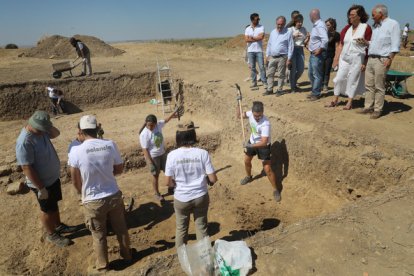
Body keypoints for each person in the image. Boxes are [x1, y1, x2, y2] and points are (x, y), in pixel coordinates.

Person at [69, 115, 132, 273]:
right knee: (121, 228)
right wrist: (106, 175)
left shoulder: (76, 151)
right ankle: (127, 255)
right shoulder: (110, 144)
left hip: (92, 200)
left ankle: (103, 266)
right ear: (97, 129)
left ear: (80, 131)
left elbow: (75, 180)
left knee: (99, 235)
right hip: (113, 195)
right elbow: (118, 169)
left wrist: (82, 193)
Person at [15, 110, 77, 247]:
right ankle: (51, 234)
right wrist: (41, 188)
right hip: (41, 183)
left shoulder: (40, 131)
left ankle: (58, 226)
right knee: (46, 210)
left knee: (53, 204)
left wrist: (47, 126)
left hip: (52, 178)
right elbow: (26, 168)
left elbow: (56, 133)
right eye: (42, 129)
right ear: (32, 125)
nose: (44, 132)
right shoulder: (24, 142)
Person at [164, 121, 217, 248]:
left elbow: (167, 182)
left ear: (178, 137)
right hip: (200, 196)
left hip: (181, 198)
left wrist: (174, 185)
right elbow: (213, 179)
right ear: (193, 134)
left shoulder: (172, 155)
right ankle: (205, 257)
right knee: (201, 227)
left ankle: (183, 259)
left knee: (181, 229)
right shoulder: (202, 153)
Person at [358, 4, 400, 119]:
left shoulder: (393, 24)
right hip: (371, 58)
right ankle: (368, 107)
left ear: (381, 13)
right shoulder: (376, 26)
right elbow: (375, 43)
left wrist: (390, 59)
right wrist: (366, 42)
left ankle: (378, 109)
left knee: (379, 86)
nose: (372, 17)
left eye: (373, 15)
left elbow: (395, 44)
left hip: (382, 60)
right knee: (369, 85)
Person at [326, 5, 372, 110]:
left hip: (357, 58)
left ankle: (350, 102)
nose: (350, 17)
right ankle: (335, 99)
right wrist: (336, 59)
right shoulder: (346, 28)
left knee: (353, 79)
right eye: (349, 15)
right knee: (338, 78)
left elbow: (370, 46)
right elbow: (341, 45)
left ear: (359, 16)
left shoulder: (366, 28)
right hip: (344, 58)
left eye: (352, 15)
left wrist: (365, 62)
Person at [237, 101, 281, 202]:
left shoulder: (265, 124)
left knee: (267, 169)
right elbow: (239, 116)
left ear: (263, 112)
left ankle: (275, 189)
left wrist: (250, 145)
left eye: (260, 116)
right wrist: (237, 103)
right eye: (255, 116)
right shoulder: (250, 114)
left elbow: (264, 142)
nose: (257, 118)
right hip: (252, 142)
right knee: (247, 161)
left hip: (263, 146)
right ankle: (248, 176)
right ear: (252, 112)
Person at [139, 111, 178, 202]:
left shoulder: (158, 125)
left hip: (163, 154)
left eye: (152, 125)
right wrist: (150, 163)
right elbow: (145, 150)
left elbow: (166, 120)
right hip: (153, 157)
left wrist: (174, 112)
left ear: (155, 124)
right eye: (148, 125)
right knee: (155, 175)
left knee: (169, 171)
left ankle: (171, 188)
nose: (150, 127)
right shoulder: (144, 134)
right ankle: (157, 194)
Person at [264, 16, 294, 96]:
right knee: (270, 74)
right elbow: (269, 44)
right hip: (272, 57)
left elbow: (290, 46)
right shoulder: (273, 32)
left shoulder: (288, 32)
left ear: (284, 24)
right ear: (276, 23)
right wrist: (267, 55)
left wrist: (289, 59)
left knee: (281, 74)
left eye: (282, 24)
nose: (280, 26)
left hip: (282, 57)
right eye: (278, 24)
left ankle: (279, 90)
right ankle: (269, 89)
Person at [307, 9, 328, 101]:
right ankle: (314, 91)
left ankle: (316, 93)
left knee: (317, 75)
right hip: (313, 54)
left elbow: (325, 39)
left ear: (312, 16)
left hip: (317, 54)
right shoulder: (316, 26)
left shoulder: (320, 25)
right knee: (311, 74)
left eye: (310, 16)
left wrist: (320, 49)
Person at [245, 13, 267, 90]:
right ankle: (254, 83)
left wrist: (252, 38)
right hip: (250, 51)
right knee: (253, 68)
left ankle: (265, 82)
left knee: (262, 67)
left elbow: (261, 37)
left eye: (258, 19)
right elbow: (246, 39)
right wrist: (256, 38)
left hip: (259, 50)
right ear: (252, 20)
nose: (258, 20)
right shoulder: (247, 29)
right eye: (256, 19)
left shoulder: (261, 27)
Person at [289, 13, 309, 93]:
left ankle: (293, 82)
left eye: (301, 22)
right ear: (295, 22)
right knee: (293, 70)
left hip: (300, 49)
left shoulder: (304, 29)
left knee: (301, 69)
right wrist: (293, 36)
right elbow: (287, 40)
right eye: (298, 22)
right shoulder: (291, 29)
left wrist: (307, 39)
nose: (300, 23)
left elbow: (304, 41)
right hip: (293, 49)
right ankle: (293, 87)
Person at [321, 18, 340, 92]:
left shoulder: (336, 34)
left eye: (328, 25)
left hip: (330, 54)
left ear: (333, 25)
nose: (326, 26)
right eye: (326, 25)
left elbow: (338, 46)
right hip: (322, 53)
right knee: (321, 70)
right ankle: (320, 85)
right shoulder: (324, 33)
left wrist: (336, 57)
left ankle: (325, 85)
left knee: (327, 71)